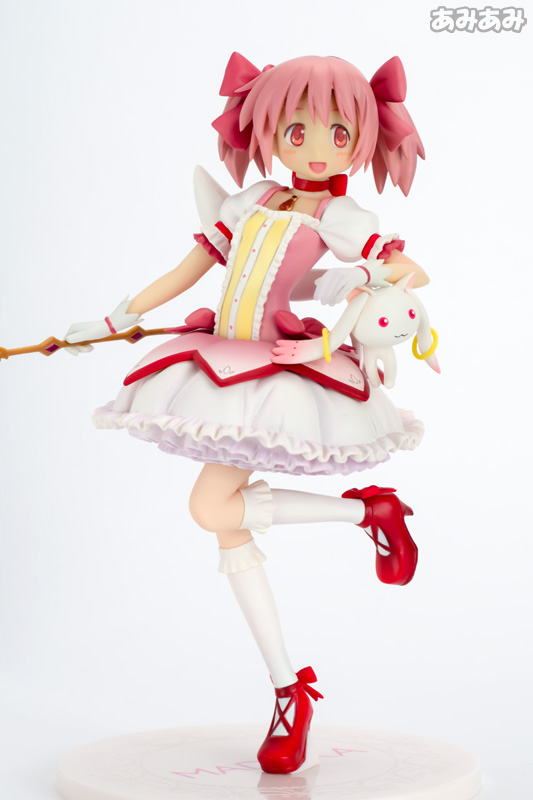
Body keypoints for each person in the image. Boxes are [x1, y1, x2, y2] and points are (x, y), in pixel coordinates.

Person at [65, 52, 431, 775]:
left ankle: (299, 668)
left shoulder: (341, 216)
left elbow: (407, 270)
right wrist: (115, 318)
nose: (316, 147)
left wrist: (357, 279)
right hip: (220, 359)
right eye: (295, 132)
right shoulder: (252, 199)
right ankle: (295, 670)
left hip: (269, 368)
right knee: (219, 516)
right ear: (267, 134)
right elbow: (190, 269)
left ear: (360, 140)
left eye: (337, 133)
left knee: (211, 509)